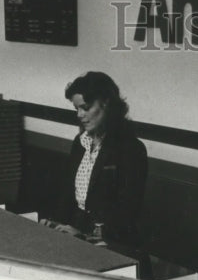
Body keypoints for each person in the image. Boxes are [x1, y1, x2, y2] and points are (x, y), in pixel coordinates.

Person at [44, 71, 148, 246]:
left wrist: (85, 236)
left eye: (85, 107)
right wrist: (55, 223)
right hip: (77, 233)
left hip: (111, 241)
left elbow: (128, 211)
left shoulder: (131, 148)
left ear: (106, 104)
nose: (79, 115)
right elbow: (69, 194)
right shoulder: (80, 142)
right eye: (76, 109)